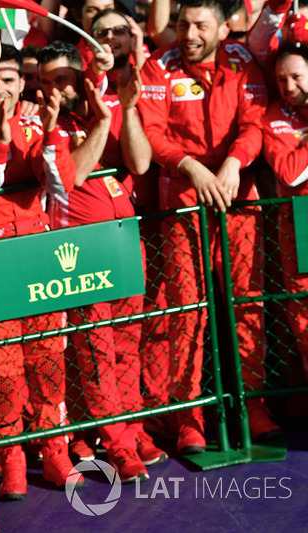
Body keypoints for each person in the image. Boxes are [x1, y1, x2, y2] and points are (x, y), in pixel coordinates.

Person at [137, 0, 277, 453]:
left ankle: (252, 405)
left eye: (200, 25)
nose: (189, 33)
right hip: (182, 197)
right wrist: (192, 168)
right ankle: (189, 416)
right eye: (182, 24)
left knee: (246, 303)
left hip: (238, 194)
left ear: (221, 30)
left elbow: (254, 124)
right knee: (186, 309)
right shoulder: (159, 65)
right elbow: (153, 132)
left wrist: (235, 163)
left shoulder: (242, 60)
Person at [38, 38, 168, 483]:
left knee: (130, 342)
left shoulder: (110, 104)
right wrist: (101, 122)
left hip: (122, 244)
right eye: (46, 81)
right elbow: (70, 176)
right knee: (96, 348)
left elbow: (142, 162)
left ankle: (131, 429)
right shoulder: (47, 123)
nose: (55, 89)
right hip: (81, 251)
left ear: (80, 76)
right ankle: (117, 444)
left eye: (62, 79)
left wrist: (121, 111)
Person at [0, 43, 78, 497]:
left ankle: (55, 452)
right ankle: (11, 456)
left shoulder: (36, 121)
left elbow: (59, 183)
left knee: (48, 358)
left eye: (10, 80)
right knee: (0, 365)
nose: (3, 90)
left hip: (37, 253)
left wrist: (49, 131)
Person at [262, 43, 308, 390]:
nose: (289, 86)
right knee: (304, 317)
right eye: (281, 79)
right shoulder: (275, 116)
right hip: (300, 223)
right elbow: (291, 173)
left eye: (296, 77)